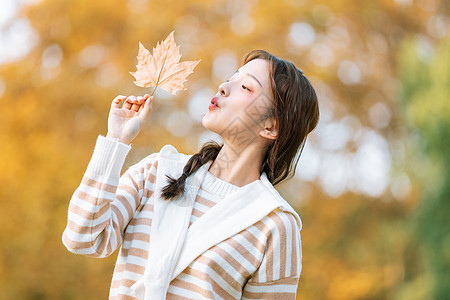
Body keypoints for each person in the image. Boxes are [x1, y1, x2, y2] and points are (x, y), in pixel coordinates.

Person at [62, 49, 319, 299]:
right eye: (231, 78)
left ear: (271, 126)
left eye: (246, 88)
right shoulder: (156, 171)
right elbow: (83, 238)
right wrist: (115, 141)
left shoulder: (273, 224)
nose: (223, 86)